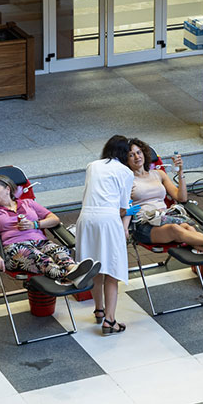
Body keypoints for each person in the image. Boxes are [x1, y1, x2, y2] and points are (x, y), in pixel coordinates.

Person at [127, 138, 203, 264]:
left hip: (166, 217)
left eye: (139, 152)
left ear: (144, 153)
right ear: (125, 160)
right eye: (131, 155)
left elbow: (181, 198)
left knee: (186, 227)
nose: (137, 157)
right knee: (176, 229)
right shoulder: (126, 180)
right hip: (144, 225)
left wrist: (180, 171)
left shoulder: (158, 174)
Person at [0, 174, 95, 286]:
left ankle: (74, 270)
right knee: (42, 258)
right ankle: (72, 276)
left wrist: (35, 224)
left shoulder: (28, 203)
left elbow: (54, 219)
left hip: (40, 242)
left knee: (59, 250)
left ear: (7, 189)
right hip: (15, 248)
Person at [75, 135, 135, 335]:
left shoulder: (92, 165)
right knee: (112, 271)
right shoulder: (125, 171)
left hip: (85, 219)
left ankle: (99, 310)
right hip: (108, 221)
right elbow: (123, 207)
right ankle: (110, 321)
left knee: (94, 267)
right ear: (124, 153)